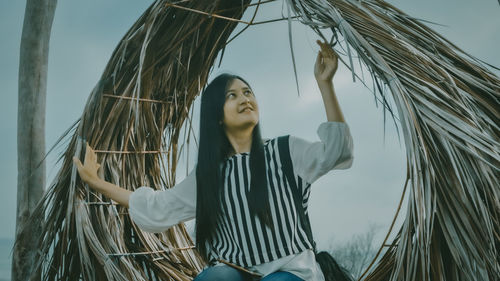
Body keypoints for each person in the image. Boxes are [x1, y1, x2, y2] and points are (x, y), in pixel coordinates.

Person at [73, 40, 354, 281]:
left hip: (293, 272)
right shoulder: (210, 175)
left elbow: (338, 151)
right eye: (231, 96)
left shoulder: (286, 151)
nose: (245, 99)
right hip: (237, 272)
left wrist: (325, 84)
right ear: (217, 116)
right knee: (212, 277)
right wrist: (97, 182)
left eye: (247, 92)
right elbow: (157, 206)